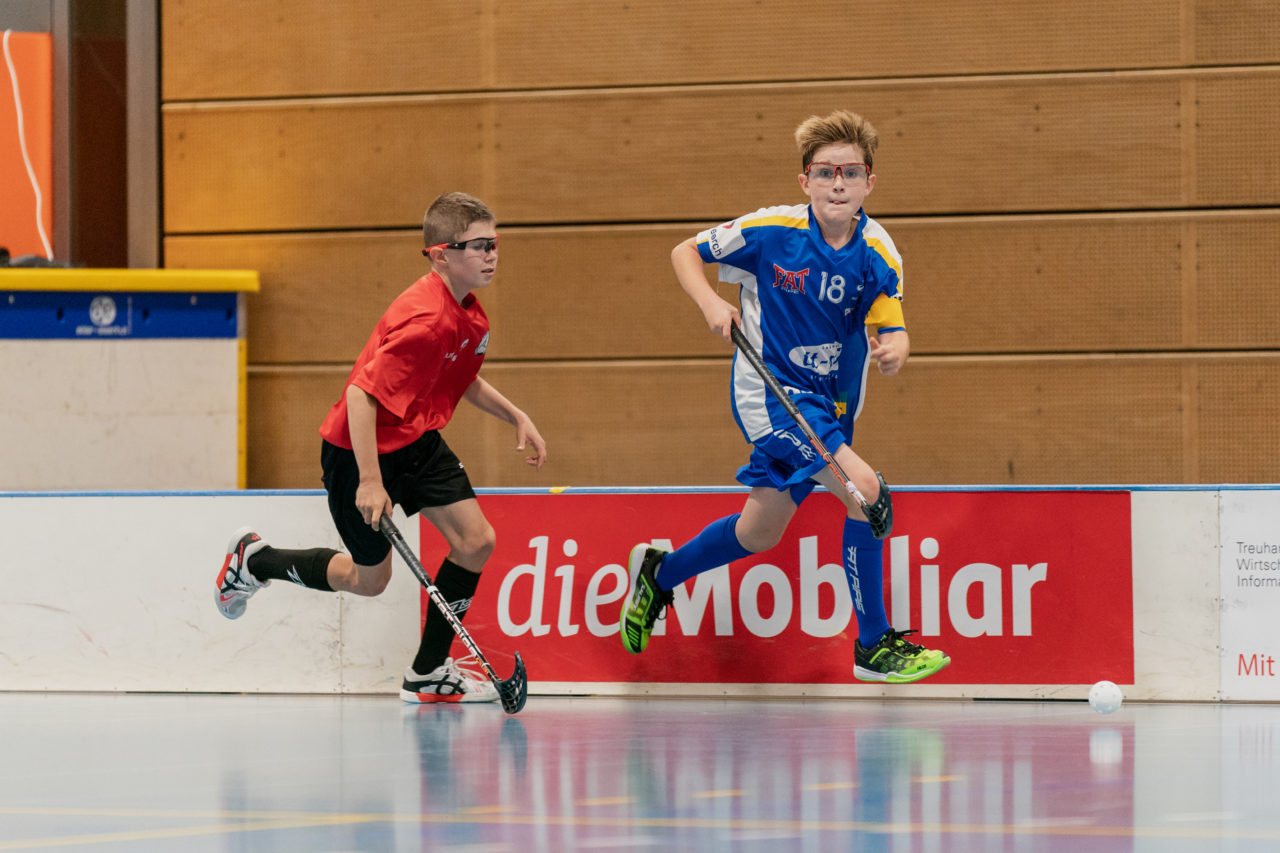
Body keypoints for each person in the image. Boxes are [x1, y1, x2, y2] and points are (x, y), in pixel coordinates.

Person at [620, 110, 949, 683]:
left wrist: (897, 348)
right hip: (772, 395)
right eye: (825, 172)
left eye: (850, 172)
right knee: (866, 494)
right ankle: (873, 646)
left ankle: (659, 575)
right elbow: (685, 252)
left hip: (831, 406)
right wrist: (710, 302)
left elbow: (892, 323)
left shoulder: (878, 251)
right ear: (805, 181)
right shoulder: (771, 230)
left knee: (759, 532)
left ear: (870, 182)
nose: (838, 184)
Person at [216, 191, 547, 703]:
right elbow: (361, 395)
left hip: (415, 440)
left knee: (476, 541)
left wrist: (516, 414)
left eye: (494, 242)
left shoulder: (469, 313)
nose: (491, 254)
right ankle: (256, 561)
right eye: (479, 245)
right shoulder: (425, 320)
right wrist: (371, 482)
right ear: (441, 254)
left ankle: (427, 673)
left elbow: (460, 376)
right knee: (370, 581)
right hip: (358, 451)